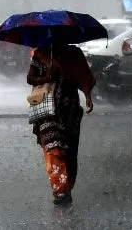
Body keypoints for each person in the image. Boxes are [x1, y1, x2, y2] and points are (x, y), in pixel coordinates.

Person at [26, 40, 95, 206]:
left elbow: (84, 76)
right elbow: (30, 77)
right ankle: (60, 190)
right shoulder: (40, 54)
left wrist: (87, 97)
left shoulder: (74, 54)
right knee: (52, 148)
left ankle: (67, 187)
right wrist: (47, 76)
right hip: (47, 111)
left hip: (69, 110)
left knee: (69, 151)